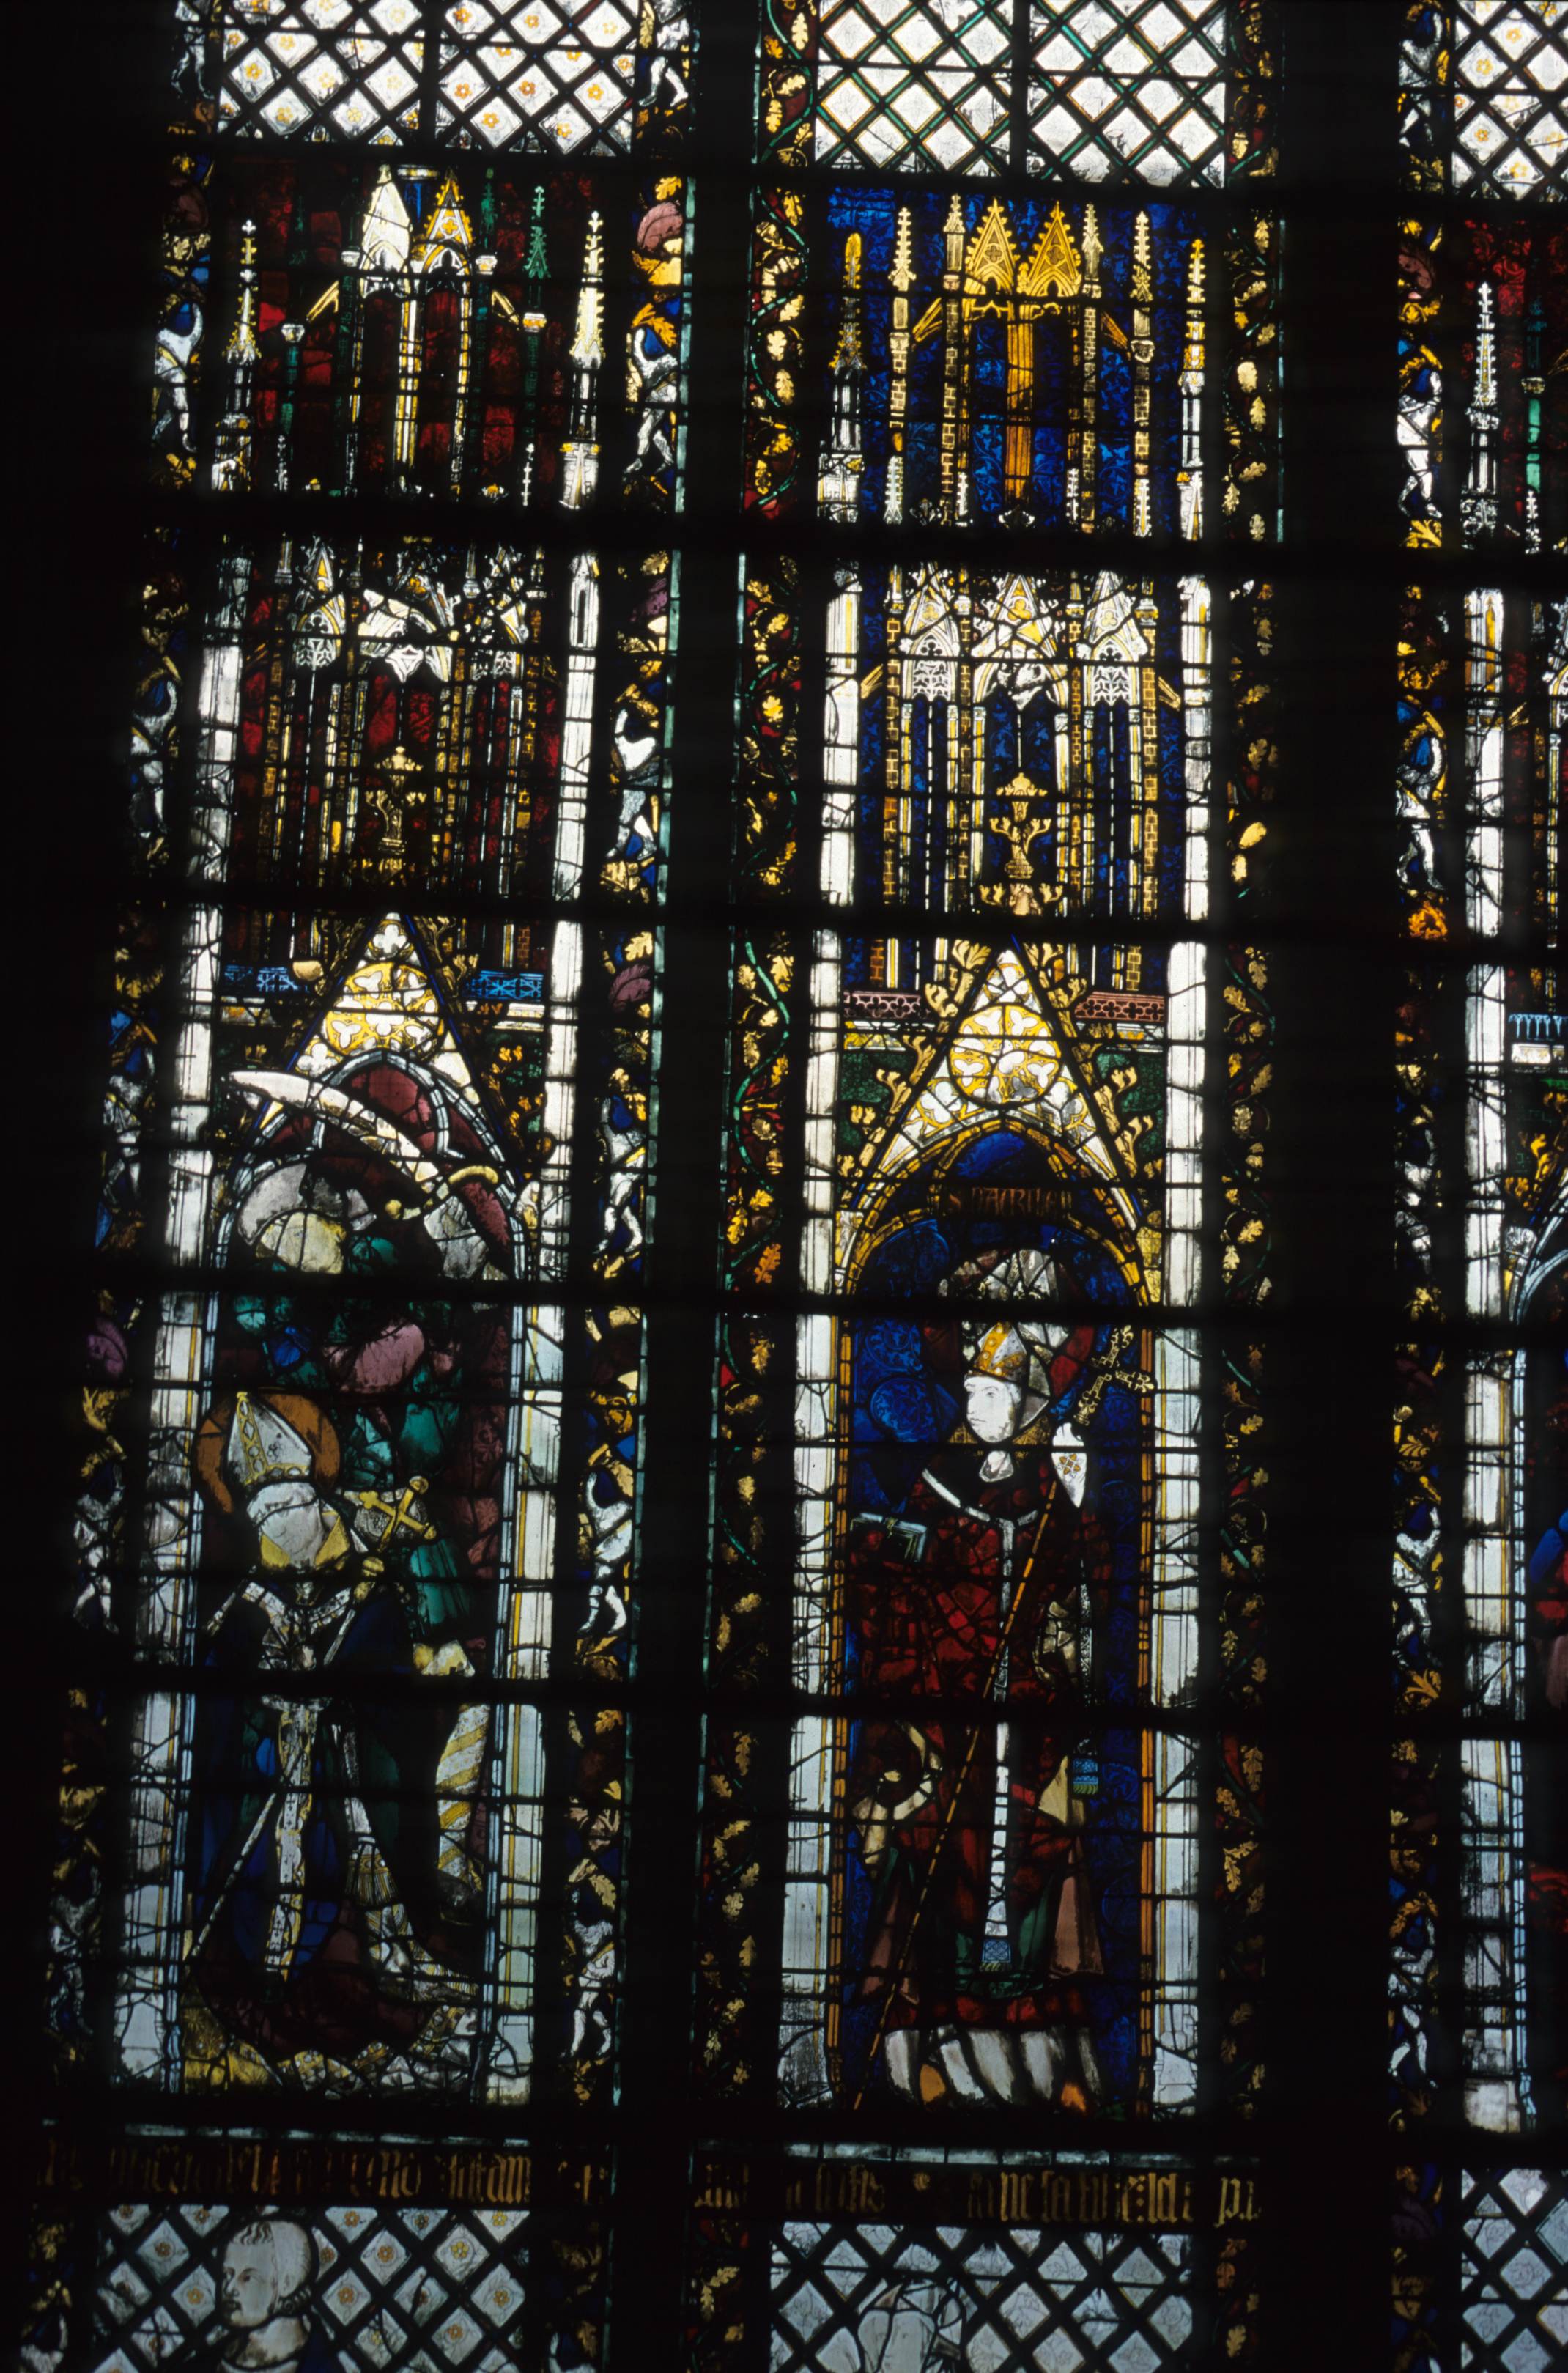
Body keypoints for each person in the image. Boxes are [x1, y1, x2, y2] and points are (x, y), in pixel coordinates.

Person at [846, 1295, 1107, 2110]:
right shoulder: (938, 1487)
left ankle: (1042, 2056)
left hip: (1028, 1731)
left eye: (991, 1394)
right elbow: (902, 1579)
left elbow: (1086, 1604)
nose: (975, 1405)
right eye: (970, 1393)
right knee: (932, 1866)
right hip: (947, 1722)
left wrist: (1077, 1500)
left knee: (1036, 1870)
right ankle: (932, 2051)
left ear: (1025, 1406)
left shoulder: (1054, 1493)